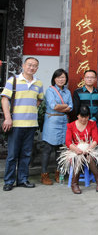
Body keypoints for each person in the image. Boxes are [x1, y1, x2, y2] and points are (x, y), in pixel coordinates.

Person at [1, 57, 44, 191]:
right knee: (13, 154)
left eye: (35, 66)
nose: (32, 68)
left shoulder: (38, 84)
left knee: (26, 154)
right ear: (24, 65)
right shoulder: (13, 80)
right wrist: (8, 118)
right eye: (29, 65)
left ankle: (23, 180)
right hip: (16, 124)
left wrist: (29, 111)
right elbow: (4, 100)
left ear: (37, 68)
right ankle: (8, 181)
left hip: (31, 124)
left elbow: (39, 100)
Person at [40, 68, 72, 185]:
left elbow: (71, 107)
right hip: (52, 121)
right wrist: (65, 106)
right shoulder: (50, 91)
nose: (61, 79)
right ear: (54, 79)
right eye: (58, 77)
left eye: (63, 77)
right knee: (48, 149)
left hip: (63, 121)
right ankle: (44, 175)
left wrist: (62, 106)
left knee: (60, 150)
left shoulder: (67, 92)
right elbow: (53, 106)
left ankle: (59, 173)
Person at [65, 106, 98, 194]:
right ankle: (74, 184)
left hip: (88, 149)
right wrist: (76, 149)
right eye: (82, 117)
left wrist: (89, 148)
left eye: (86, 117)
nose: (84, 119)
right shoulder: (71, 126)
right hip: (75, 150)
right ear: (78, 116)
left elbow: (95, 140)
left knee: (89, 158)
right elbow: (68, 142)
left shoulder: (92, 124)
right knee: (79, 158)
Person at [73, 69, 98, 138]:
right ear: (84, 79)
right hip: (82, 124)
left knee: (96, 146)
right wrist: (84, 119)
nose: (89, 79)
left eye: (92, 77)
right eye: (87, 77)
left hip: (96, 124)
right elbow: (76, 108)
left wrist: (94, 119)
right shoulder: (78, 92)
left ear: (95, 79)